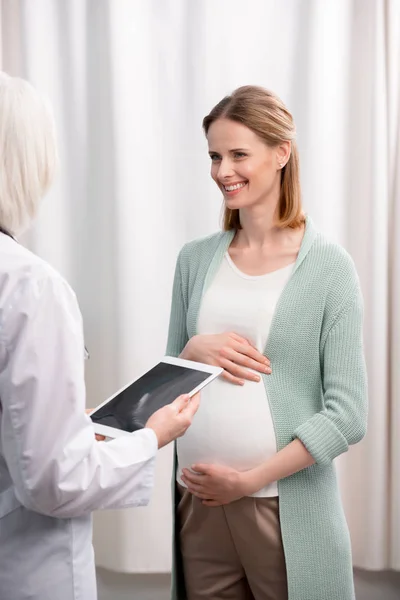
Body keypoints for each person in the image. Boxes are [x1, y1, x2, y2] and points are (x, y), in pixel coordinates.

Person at [0, 72, 199, 600]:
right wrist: (151, 436)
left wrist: (69, 425)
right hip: (26, 569)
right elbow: (53, 482)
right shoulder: (28, 288)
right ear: (28, 162)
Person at [166, 85, 368, 600]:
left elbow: (348, 414)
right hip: (198, 502)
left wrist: (249, 479)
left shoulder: (329, 267)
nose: (221, 171)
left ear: (281, 153)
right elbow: (165, 381)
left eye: (238, 154)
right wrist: (190, 354)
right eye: (214, 156)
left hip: (282, 507)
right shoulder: (194, 259)